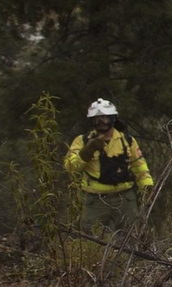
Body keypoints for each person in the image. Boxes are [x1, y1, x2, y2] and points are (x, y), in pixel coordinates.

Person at [64, 98, 153, 232]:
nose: (101, 123)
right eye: (97, 119)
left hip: (125, 199)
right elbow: (70, 167)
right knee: (91, 240)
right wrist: (88, 150)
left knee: (132, 238)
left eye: (105, 118)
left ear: (113, 119)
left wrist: (147, 187)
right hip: (95, 201)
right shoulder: (82, 141)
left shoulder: (127, 140)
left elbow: (139, 166)